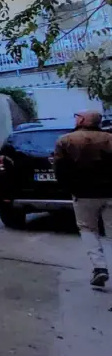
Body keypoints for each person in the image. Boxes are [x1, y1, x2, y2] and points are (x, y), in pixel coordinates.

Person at [53, 110, 112, 288]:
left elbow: (60, 169)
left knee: (88, 230)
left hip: (83, 193)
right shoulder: (110, 138)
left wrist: (67, 188)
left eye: (78, 116)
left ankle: (99, 267)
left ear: (84, 120)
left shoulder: (66, 140)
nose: (76, 118)